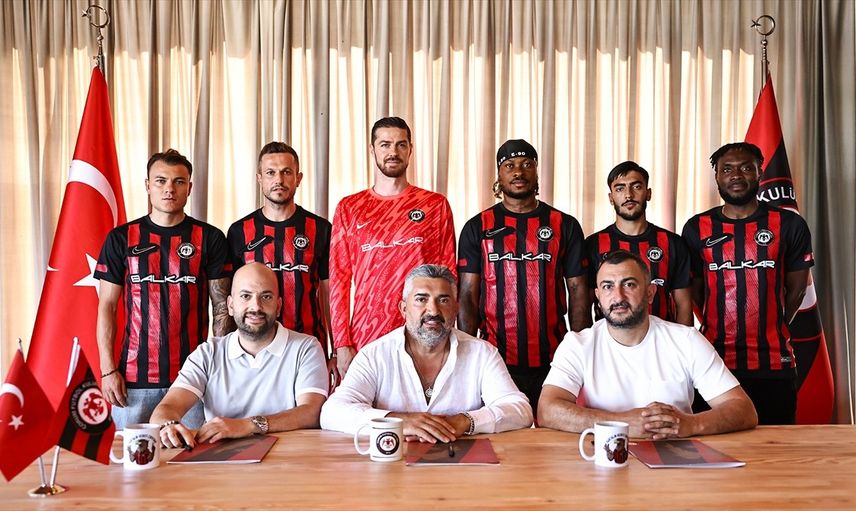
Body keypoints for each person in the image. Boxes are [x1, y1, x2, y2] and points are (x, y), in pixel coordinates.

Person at [538, 250, 757, 439]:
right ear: (598, 296)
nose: (618, 297)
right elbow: (547, 410)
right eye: (607, 286)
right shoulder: (577, 345)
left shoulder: (686, 340)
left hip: (675, 459)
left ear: (650, 293)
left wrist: (691, 424)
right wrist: (622, 423)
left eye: (629, 284)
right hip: (604, 458)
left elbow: (744, 409)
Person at [96, 149, 232, 429]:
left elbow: (222, 307)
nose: (169, 188)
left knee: (191, 454)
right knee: (132, 456)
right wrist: (108, 370)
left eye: (179, 181)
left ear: (189, 188)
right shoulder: (121, 238)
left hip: (192, 378)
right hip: (132, 379)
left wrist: (218, 367)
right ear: (148, 186)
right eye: (161, 181)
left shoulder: (210, 238)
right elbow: (106, 306)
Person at [320, 264, 532, 442]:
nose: (433, 311)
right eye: (421, 299)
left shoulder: (482, 353)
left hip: (463, 469)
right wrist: (400, 422)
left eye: (443, 300)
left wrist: (463, 421)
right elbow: (332, 412)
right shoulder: (374, 355)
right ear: (403, 308)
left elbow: (519, 410)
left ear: (456, 308)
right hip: (393, 468)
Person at [682, 142, 814, 424]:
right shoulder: (696, 227)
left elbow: (797, 290)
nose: (736, 175)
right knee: (714, 444)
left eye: (745, 168)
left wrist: (772, 323)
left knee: (774, 443)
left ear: (759, 172)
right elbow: (693, 292)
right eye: (727, 169)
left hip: (773, 361)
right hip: (713, 360)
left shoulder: (789, 224)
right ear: (717, 176)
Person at [457, 139, 589, 416]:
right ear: (499, 174)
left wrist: (581, 350)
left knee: (555, 429)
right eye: (510, 166)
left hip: (554, 358)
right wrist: (466, 354)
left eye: (527, 164)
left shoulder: (564, 225)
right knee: (500, 428)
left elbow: (578, 291)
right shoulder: (477, 227)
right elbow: (467, 294)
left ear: (537, 171)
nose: (518, 171)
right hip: (494, 358)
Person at [330, 117, 456, 378]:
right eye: (385, 144)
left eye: (401, 145)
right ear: (372, 149)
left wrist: (447, 333)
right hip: (366, 334)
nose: (393, 152)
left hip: (422, 332)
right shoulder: (349, 208)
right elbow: (339, 280)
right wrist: (341, 344)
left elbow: (449, 277)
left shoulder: (434, 205)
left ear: (410, 149)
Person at [151, 263, 328, 448]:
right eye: (245, 296)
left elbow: (311, 412)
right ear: (230, 305)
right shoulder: (208, 353)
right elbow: (166, 408)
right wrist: (168, 426)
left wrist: (248, 425)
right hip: (221, 459)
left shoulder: (306, 347)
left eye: (266, 296)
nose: (256, 306)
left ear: (278, 306)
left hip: (289, 457)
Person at [227, 142, 336, 385]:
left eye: (286, 172)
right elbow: (232, 299)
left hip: (308, 349)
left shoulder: (320, 229)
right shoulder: (238, 232)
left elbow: (329, 296)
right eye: (271, 172)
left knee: (309, 410)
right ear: (259, 178)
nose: (279, 179)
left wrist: (336, 350)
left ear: (298, 178)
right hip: (253, 353)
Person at [585, 161, 692, 325]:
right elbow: (585, 303)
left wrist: (682, 341)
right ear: (611, 198)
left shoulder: (673, 243)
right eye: (620, 189)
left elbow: (683, 305)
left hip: (662, 337)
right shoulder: (593, 245)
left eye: (636, 187)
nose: (628, 195)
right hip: (610, 339)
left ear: (648, 193)